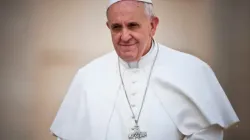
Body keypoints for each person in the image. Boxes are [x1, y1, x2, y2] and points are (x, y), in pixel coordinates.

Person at [50, 0, 239, 140]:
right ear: (108, 27)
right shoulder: (87, 77)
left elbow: (208, 134)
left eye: (132, 25)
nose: (124, 36)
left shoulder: (192, 70)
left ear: (153, 25)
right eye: (116, 27)